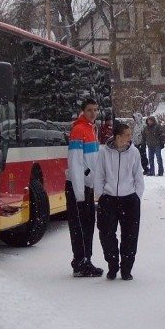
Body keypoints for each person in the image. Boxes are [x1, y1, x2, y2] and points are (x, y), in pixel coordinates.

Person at [94, 122, 145, 280]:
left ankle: (126, 268)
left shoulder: (134, 152)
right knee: (106, 234)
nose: (130, 138)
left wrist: (137, 195)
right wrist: (101, 195)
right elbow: (99, 175)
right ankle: (112, 264)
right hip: (108, 199)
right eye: (127, 135)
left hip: (130, 199)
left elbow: (138, 175)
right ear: (117, 137)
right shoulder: (104, 153)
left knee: (130, 235)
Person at [66, 98, 105, 277]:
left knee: (88, 225)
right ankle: (80, 263)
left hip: (86, 186)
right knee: (80, 226)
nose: (93, 113)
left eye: (95, 110)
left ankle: (85, 260)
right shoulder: (79, 130)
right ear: (83, 111)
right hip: (78, 187)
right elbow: (75, 164)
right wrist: (80, 194)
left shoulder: (91, 129)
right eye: (89, 110)